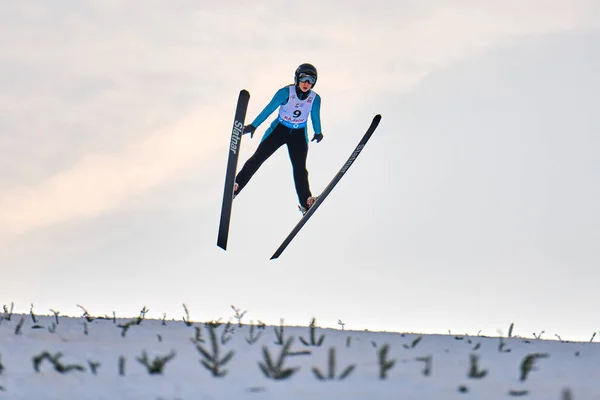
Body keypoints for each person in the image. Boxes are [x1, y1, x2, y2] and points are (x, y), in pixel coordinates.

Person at [233, 63, 323, 214]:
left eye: (311, 80)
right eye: (304, 79)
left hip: (299, 135)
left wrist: (318, 132)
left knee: (300, 169)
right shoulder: (285, 92)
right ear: (297, 78)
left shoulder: (315, 98)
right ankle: (236, 186)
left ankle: (306, 202)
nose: (307, 83)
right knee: (257, 159)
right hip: (279, 130)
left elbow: (315, 116)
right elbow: (269, 109)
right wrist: (254, 125)